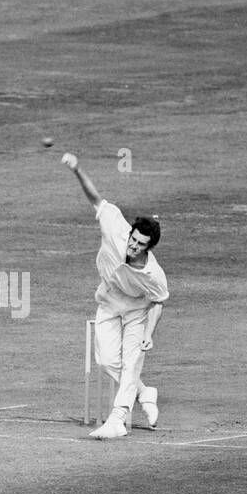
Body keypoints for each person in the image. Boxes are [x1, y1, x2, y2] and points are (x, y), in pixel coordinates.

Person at [62, 153, 169, 439]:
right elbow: (96, 198)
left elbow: (160, 300)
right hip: (109, 299)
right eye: (133, 239)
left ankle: (118, 419)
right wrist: (77, 168)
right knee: (108, 360)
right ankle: (145, 392)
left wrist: (149, 332)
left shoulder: (153, 273)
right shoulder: (115, 226)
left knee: (131, 360)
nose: (133, 245)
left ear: (149, 248)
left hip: (136, 309)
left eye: (140, 244)